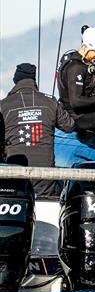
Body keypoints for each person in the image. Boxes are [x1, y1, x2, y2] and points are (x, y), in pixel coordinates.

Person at [1, 64, 75, 196]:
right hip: (45, 180)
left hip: (13, 178)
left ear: (16, 80)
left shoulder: (3, 105)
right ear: (34, 80)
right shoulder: (50, 101)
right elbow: (69, 126)